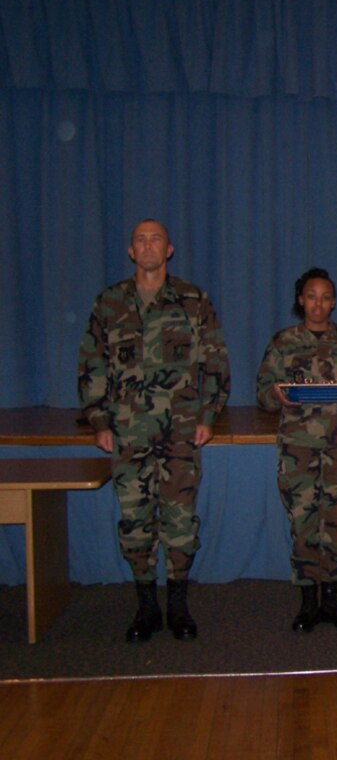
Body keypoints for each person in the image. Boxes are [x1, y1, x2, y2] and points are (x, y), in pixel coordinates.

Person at [77, 220, 231, 642]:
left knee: (180, 520)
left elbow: (215, 362)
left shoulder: (192, 299)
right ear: (131, 252)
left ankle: (177, 606)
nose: (148, 246)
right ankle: (146, 606)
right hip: (127, 433)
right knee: (135, 520)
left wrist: (209, 416)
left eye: (156, 239)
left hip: (180, 431)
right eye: (141, 240)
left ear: (169, 249)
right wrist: (98, 421)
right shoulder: (110, 302)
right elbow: (92, 365)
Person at [256, 268, 337, 632]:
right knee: (303, 521)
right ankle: (307, 601)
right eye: (311, 296)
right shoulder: (283, 343)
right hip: (299, 447)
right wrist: (276, 395)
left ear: (334, 302)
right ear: (300, 300)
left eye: (326, 297)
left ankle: (332, 598)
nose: (318, 303)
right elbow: (263, 394)